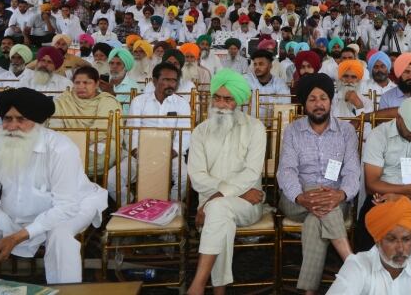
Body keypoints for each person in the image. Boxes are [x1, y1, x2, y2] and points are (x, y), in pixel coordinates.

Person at [0, 88, 108, 283]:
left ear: (36, 122)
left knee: (60, 236)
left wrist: (17, 237)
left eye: (21, 119)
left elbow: (66, 206)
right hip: (14, 213)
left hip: (74, 205)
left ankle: (66, 290)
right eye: (7, 119)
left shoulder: (61, 148)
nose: (12, 126)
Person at [276, 73, 359, 294]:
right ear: (304, 104)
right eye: (312, 99)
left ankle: (308, 290)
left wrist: (340, 195)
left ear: (331, 101)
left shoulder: (346, 131)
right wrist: (302, 196)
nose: (318, 104)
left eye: (323, 98)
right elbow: (286, 170)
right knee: (320, 200)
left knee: (315, 221)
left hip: (336, 200)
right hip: (296, 200)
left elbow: (352, 171)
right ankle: (351, 261)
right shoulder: (293, 131)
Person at [187, 69, 266, 295]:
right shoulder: (200, 132)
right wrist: (233, 194)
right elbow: (197, 176)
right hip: (229, 200)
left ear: (238, 102)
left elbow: (251, 173)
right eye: (217, 97)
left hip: (248, 205)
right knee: (220, 214)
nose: (221, 104)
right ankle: (216, 290)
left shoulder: (255, 128)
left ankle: (197, 285)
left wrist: (216, 197)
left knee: (216, 209)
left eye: (228, 99)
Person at [357, 98, 411, 252]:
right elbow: (371, 185)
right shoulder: (379, 135)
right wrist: (409, 192)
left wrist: (399, 196)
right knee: (367, 233)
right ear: (398, 118)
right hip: (383, 197)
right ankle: (372, 274)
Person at [106, 62, 191, 203]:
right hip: (140, 154)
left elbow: (185, 134)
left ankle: (170, 207)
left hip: (171, 155)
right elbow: (132, 131)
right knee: (111, 179)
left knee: (185, 178)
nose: (171, 84)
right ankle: (131, 205)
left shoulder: (182, 104)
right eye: (166, 80)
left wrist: (170, 154)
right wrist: (138, 153)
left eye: (174, 80)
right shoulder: (139, 101)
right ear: (155, 80)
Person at [51, 66, 121, 174]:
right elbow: (55, 128)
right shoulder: (63, 101)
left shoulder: (107, 101)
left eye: (86, 82)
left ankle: (70, 169)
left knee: (110, 148)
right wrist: (73, 144)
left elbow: (102, 130)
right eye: (77, 83)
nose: (81, 86)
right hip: (67, 145)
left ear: (97, 84)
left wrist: (78, 142)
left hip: (93, 146)